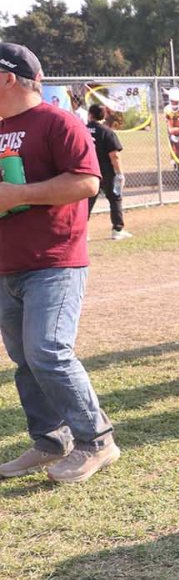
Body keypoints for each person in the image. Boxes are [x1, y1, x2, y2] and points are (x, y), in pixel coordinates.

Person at [0, 43, 119, 484]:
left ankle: (97, 439)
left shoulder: (57, 121)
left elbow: (88, 182)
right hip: (7, 263)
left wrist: (21, 195)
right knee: (25, 359)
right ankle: (50, 440)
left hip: (54, 260)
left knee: (48, 352)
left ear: (9, 77)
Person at [85, 104, 130, 240]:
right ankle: (117, 230)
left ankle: (82, 232)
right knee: (114, 198)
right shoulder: (106, 131)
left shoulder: (81, 130)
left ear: (90, 115)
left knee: (86, 201)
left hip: (88, 169)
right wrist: (120, 173)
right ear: (104, 116)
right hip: (106, 170)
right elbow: (114, 155)